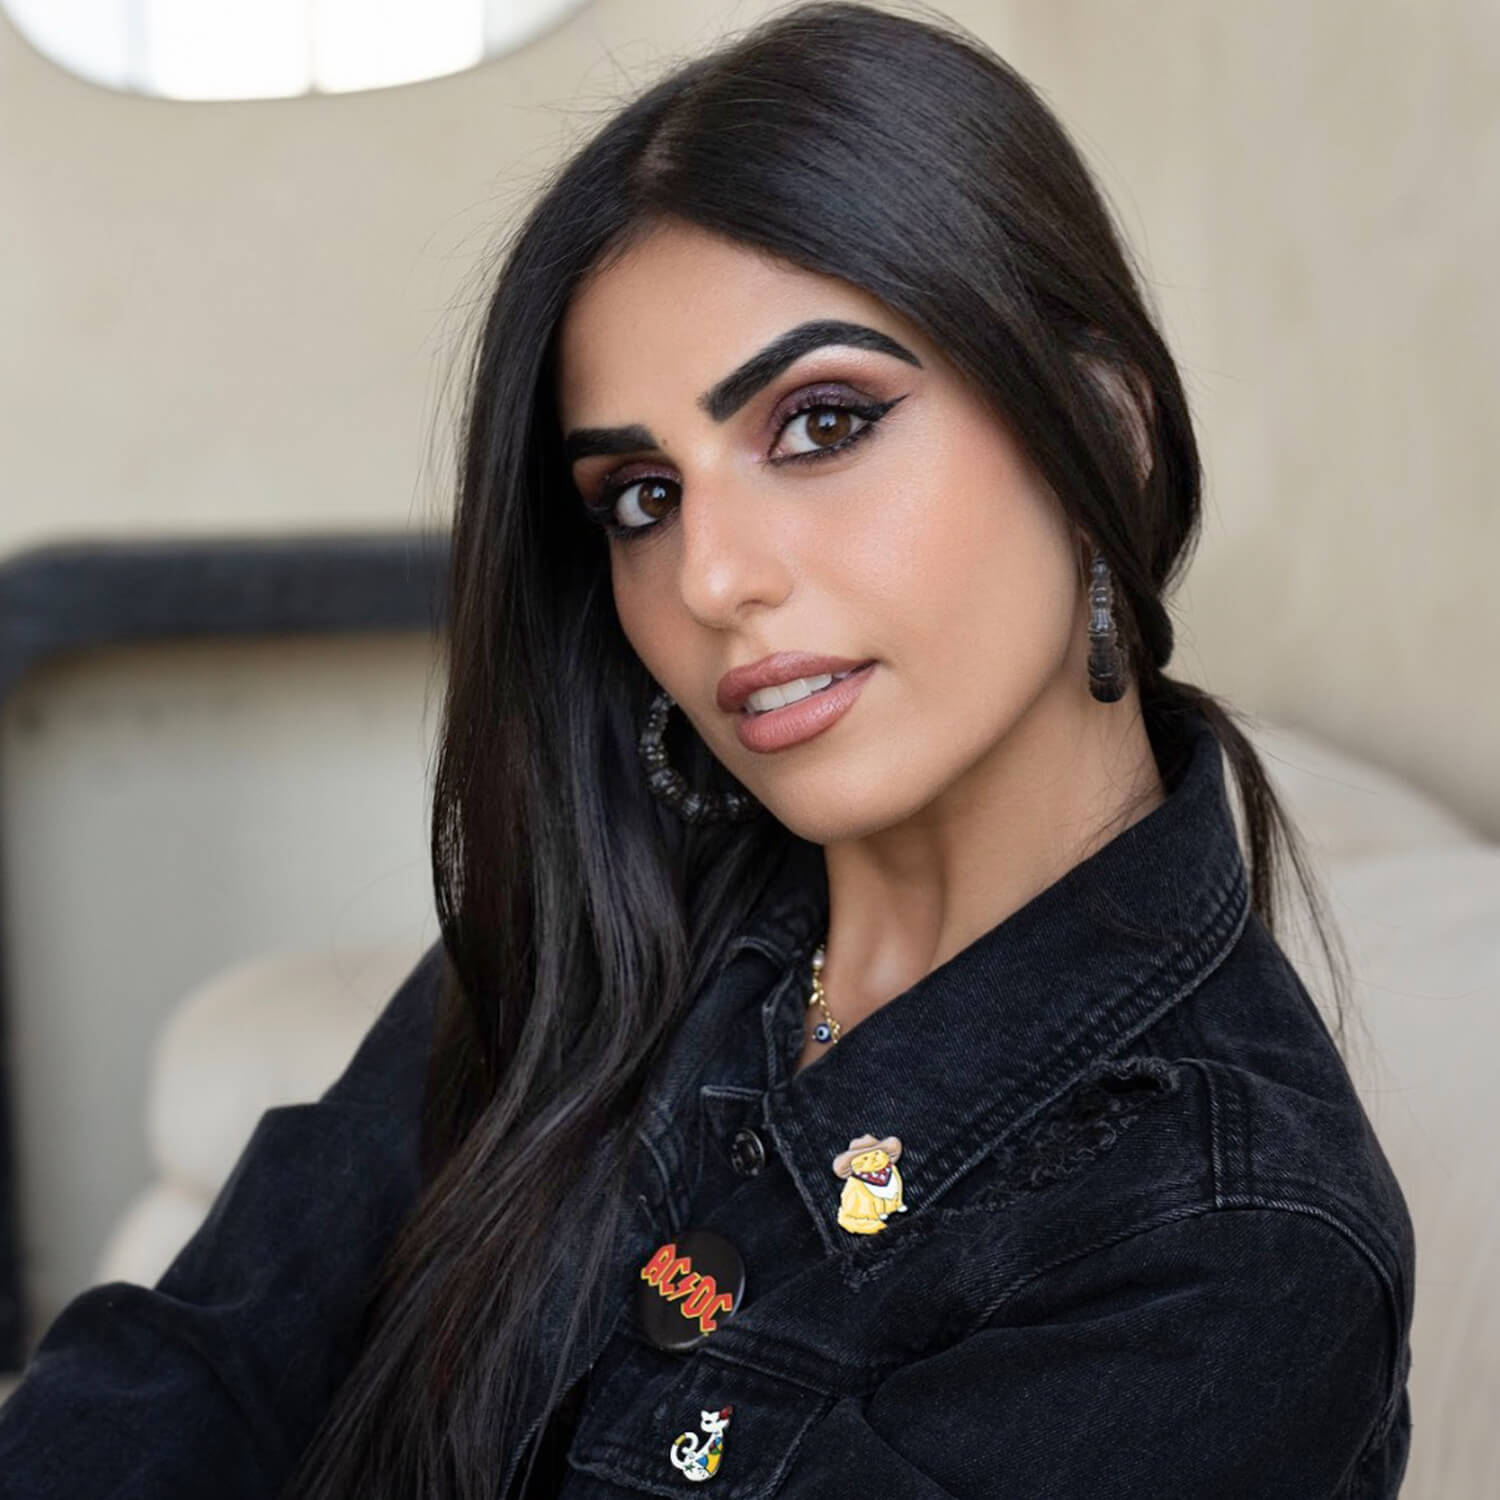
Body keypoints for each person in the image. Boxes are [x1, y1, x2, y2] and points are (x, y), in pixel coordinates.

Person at [0, 3, 1414, 1496]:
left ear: (1105, 433)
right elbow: (199, 1363)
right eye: (640, 497)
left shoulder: (1227, 1250)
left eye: (821, 424)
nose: (711, 578)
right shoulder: (609, 911)